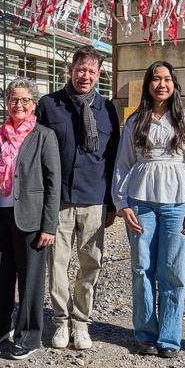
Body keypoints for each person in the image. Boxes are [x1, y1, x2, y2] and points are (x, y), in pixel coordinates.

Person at [112, 61, 185, 359]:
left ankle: (169, 337)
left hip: (178, 204)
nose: (161, 84)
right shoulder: (135, 120)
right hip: (141, 202)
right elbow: (123, 164)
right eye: (155, 79)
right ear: (147, 84)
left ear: (175, 85)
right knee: (142, 269)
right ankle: (145, 334)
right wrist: (122, 203)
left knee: (173, 271)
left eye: (167, 79)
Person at [35, 46, 120, 350]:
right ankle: (60, 321)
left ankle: (81, 322)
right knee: (57, 263)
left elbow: (113, 158)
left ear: (99, 75)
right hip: (58, 198)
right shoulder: (49, 105)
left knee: (91, 262)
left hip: (95, 197)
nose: (85, 76)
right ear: (70, 70)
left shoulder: (107, 110)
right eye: (80, 69)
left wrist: (111, 204)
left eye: (92, 71)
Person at [0, 78, 60, 360]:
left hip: (32, 218)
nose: (19, 104)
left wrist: (49, 225)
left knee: (30, 279)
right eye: (13, 99)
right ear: (7, 102)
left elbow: (53, 183)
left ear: (34, 103)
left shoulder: (43, 136)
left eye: (25, 100)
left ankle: (29, 336)